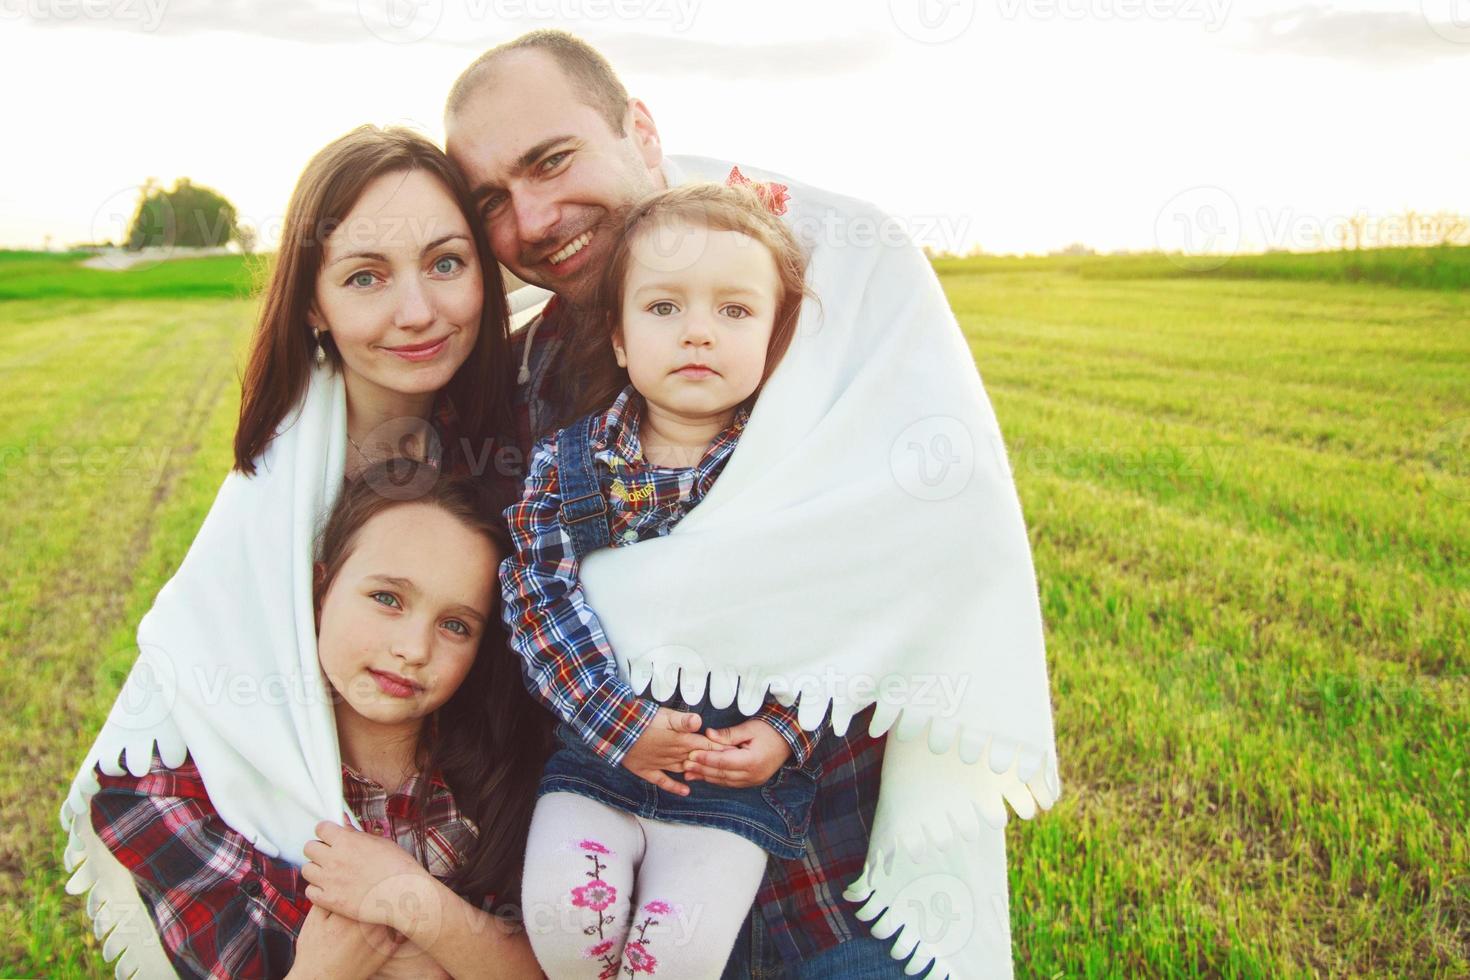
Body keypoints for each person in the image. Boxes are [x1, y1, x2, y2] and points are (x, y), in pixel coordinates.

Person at [445, 31, 1060, 980]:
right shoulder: (527, 386)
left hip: (832, 886)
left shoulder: (832, 304)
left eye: (552, 159)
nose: (530, 217)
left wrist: (790, 724)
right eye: (491, 199)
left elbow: (916, 560)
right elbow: (527, 597)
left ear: (639, 131)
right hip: (626, 856)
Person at [60, 125, 545, 978]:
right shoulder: (273, 509)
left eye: (446, 262)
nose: (418, 312)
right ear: (313, 305)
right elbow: (189, 713)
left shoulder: (517, 445)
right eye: (366, 277)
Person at [501, 183, 814, 977]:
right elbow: (538, 597)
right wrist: (619, 724)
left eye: (735, 312)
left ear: (778, 338)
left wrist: (787, 731)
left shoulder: (796, 476)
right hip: (598, 757)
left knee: (674, 960)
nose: (699, 332)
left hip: (728, 781)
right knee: (565, 926)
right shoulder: (571, 463)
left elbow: (837, 614)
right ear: (618, 338)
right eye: (665, 307)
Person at [90, 462, 548, 979]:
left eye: (455, 625)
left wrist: (415, 903)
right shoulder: (201, 790)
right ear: (318, 592)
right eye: (387, 598)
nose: (414, 649)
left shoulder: (502, 783)